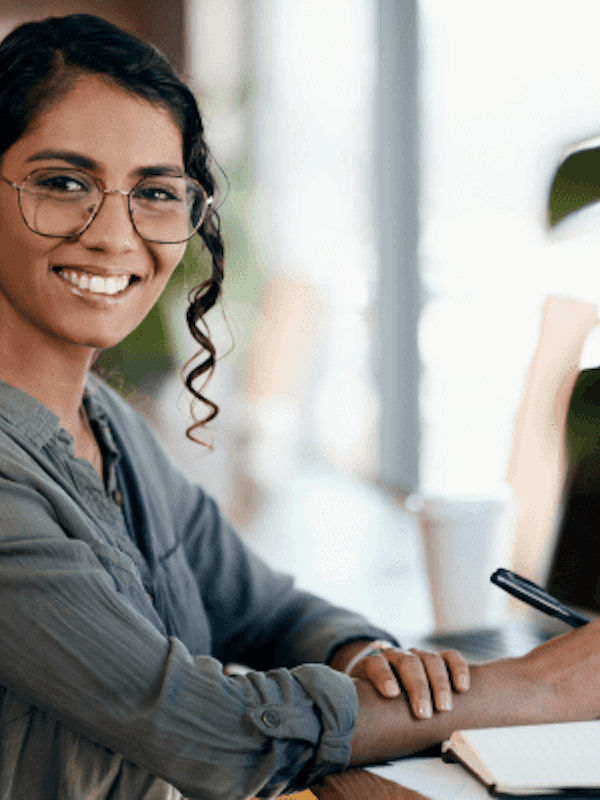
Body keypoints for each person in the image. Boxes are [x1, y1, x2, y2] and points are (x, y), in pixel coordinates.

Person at [1, 12, 600, 800]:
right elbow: (204, 727)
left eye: (154, 191)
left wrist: (363, 656)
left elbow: (269, 609)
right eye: (64, 183)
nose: (114, 234)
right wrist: (537, 689)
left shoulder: (112, 431)